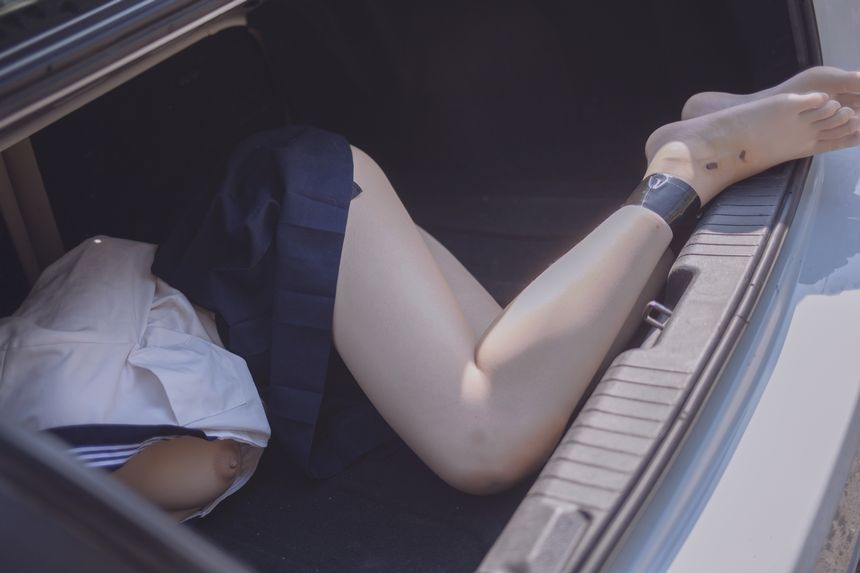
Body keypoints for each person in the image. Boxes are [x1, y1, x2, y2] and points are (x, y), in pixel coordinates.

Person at [3, 68, 859, 520]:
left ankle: (688, 168)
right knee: (540, 379)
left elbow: (206, 466)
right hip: (274, 276)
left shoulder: (29, 440)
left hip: (279, 230)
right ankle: (687, 132)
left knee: (484, 439)